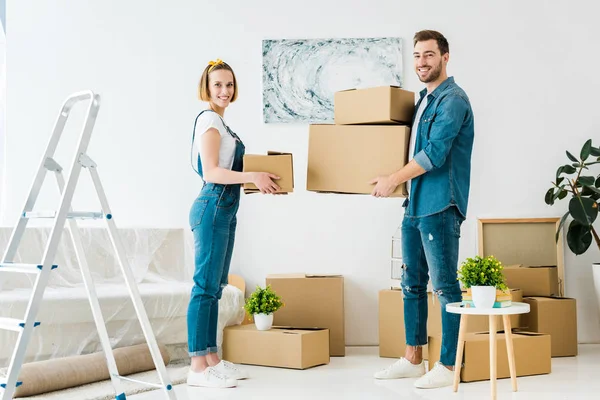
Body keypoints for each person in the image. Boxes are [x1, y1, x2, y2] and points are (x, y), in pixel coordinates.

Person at [370, 30, 475, 389]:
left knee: (445, 285)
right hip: (414, 203)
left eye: (429, 55)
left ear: (445, 57)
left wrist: (391, 179)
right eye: (416, 56)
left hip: (439, 205)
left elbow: (434, 154)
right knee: (411, 284)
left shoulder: (453, 100)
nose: (421, 62)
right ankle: (413, 357)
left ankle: (448, 365)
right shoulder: (423, 102)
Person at [187, 59, 280, 388]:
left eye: (229, 85)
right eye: (218, 85)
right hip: (212, 204)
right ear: (207, 88)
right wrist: (252, 175)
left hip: (223, 207)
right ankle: (198, 367)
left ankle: (212, 358)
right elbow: (211, 172)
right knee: (204, 288)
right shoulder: (210, 120)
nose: (224, 91)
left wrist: (258, 179)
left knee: (215, 287)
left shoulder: (222, 124)